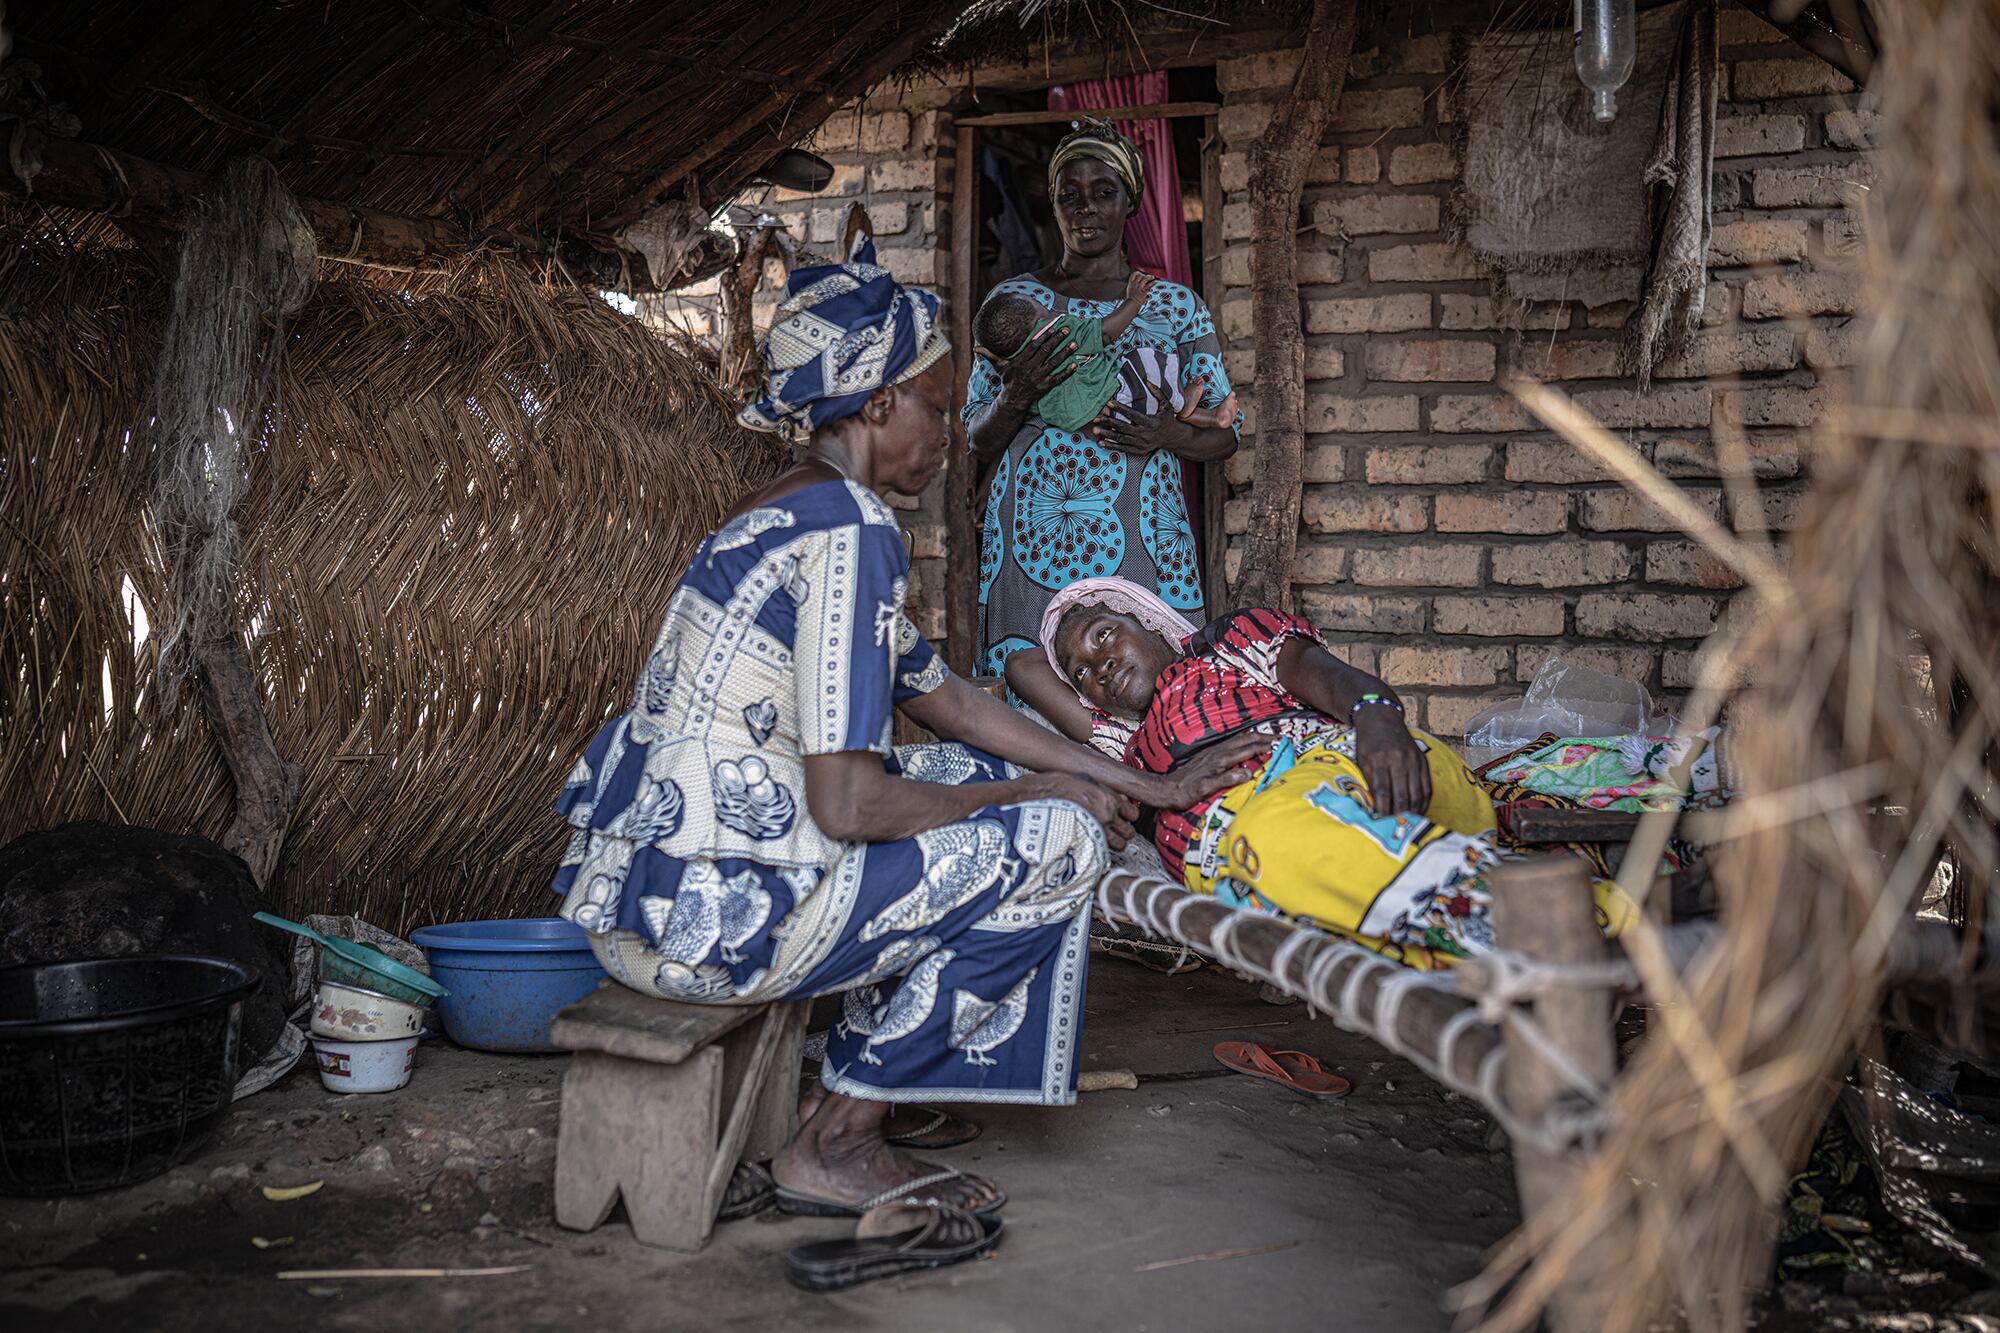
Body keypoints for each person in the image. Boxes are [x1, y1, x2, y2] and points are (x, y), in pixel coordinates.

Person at [550, 238, 1261, 1278]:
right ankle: (837, 1136)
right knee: (1056, 838)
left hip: (649, 899)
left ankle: (867, 1082)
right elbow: (845, 803)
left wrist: (1139, 781)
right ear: (875, 406)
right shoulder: (850, 531)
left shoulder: (784, 508)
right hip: (713, 926)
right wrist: (1053, 789)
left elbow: (958, 706)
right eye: (933, 403)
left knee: (993, 787)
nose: (945, 431)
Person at [1006, 579, 1636, 969]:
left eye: (1105, 636)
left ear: (1148, 621)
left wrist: (1379, 719)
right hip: (1255, 841)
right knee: (1281, 842)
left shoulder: (1228, 647)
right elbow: (1021, 666)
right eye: (1083, 674)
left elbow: (1328, 677)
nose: (1099, 668)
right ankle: (1617, 916)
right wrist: (1076, 645)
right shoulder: (1123, 745)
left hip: (1346, 764)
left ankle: (1581, 916)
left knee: (1295, 836)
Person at [967, 117, 1241, 677]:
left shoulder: (1175, 306)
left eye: (1102, 192)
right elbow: (976, 436)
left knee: (1152, 689)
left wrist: (1167, 434)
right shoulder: (1014, 301)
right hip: (1034, 537)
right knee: (1032, 686)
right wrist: (1019, 393)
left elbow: (1226, 438)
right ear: (1053, 204)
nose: (1084, 208)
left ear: (1131, 202)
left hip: (1145, 533)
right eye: (1069, 195)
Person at [973, 270, 1238, 432]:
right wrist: (1134, 300)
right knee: (1143, 359)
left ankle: (1201, 412)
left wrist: (999, 362)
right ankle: (1191, 406)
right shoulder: (1062, 332)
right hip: (1117, 397)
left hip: (1087, 418)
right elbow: (1106, 332)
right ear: (1039, 321)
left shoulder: (1015, 363)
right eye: (1041, 306)